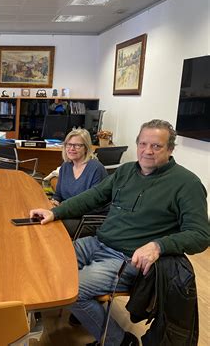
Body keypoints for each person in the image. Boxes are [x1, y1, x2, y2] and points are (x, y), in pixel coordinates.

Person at [30, 119, 209, 346]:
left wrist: (158, 246)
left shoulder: (187, 183)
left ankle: (120, 341)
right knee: (43, 262)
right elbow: (92, 197)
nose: (148, 151)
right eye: (143, 144)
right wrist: (55, 213)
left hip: (126, 258)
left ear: (171, 149)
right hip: (97, 242)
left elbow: (201, 235)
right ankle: (82, 314)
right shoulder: (126, 171)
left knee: (71, 290)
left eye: (157, 146)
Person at [51, 128, 108, 237]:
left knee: (54, 227)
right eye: (69, 144)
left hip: (89, 220)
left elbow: (95, 206)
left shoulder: (96, 168)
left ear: (86, 148)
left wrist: (64, 209)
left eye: (77, 145)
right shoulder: (65, 166)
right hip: (68, 213)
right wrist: (55, 201)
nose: (71, 148)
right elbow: (58, 195)